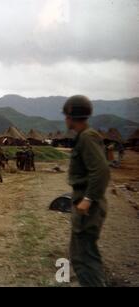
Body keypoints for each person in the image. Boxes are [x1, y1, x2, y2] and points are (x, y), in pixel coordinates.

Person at [63, 95, 110, 287]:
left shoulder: (88, 137)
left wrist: (88, 199)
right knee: (80, 254)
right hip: (86, 203)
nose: (65, 119)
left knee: (84, 258)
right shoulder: (85, 137)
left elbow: (102, 171)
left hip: (88, 206)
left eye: (66, 115)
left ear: (71, 116)